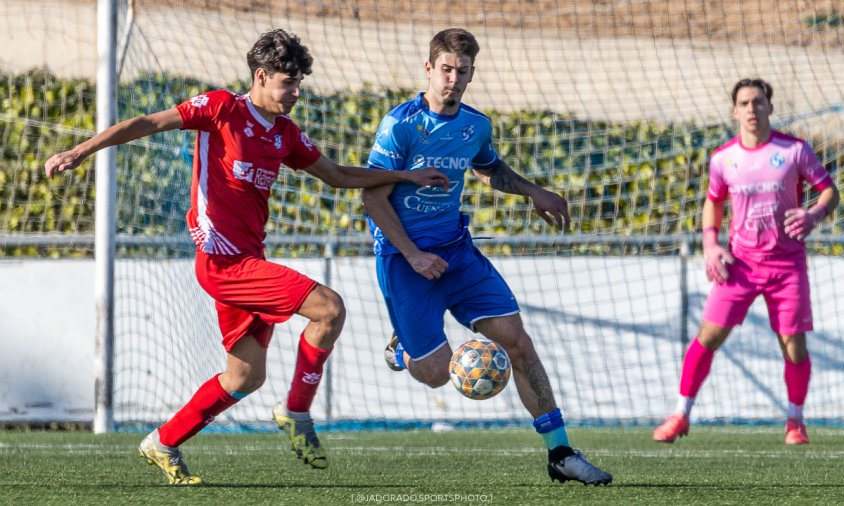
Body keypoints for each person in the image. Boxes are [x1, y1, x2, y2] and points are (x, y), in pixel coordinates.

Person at [44, 28, 449, 486]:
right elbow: (149, 124)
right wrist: (80, 151)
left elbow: (335, 175)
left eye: (299, 84)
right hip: (223, 263)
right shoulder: (221, 108)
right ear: (261, 75)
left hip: (248, 261)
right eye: (287, 83)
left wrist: (405, 176)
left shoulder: (285, 134)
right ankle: (296, 412)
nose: (296, 92)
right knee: (329, 308)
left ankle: (164, 440)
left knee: (244, 377)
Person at [362, 28, 612, 486]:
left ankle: (560, 452)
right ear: (428, 70)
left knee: (517, 341)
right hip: (405, 261)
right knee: (437, 374)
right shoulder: (399, 125)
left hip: (458, 254)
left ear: (472, 74)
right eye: (445, 70)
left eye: (462, 71)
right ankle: (403, 347)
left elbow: (488, 167)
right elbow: (372, 198)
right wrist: (415, 255)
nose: (452, 79)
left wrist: (534, 191)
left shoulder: (475, 125)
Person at [653, 78, 839, 445]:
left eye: (758, 102)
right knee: (707, 337)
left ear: (770, 107)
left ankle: (795, 421)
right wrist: (710, 244)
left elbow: (829, 191)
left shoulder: (794, 151)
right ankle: (680, 414)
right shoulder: (724, 158)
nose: (751, 109)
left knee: (794, 346)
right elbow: (714, 201)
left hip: (787, 266)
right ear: (734, 110)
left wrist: (814, 215)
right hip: (740, 265)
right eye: (744, 103)